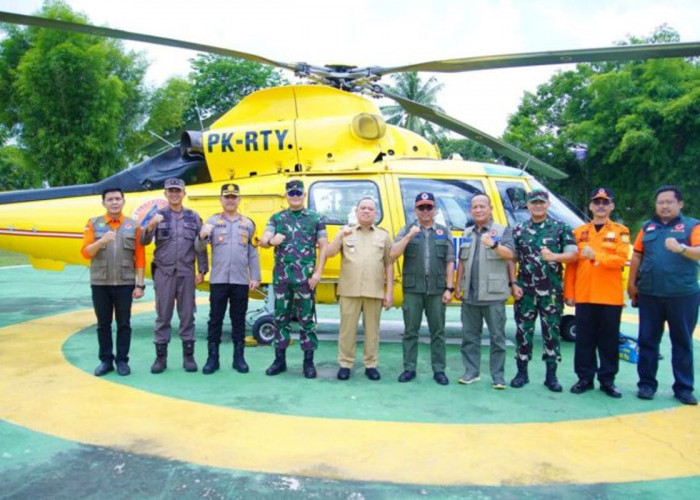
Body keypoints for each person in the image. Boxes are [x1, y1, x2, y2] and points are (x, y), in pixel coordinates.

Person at [628, 185, 700, 405]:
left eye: (669, 202)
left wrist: (681, 249)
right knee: (648, 340)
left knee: (682, 342)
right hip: (650, 294)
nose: (665, 206)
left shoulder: (692, 226)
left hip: (682, 295)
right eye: (661, 202)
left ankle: (684, 388)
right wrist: (632, 285)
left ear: (680, 204)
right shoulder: (647, 227)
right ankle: (647, 385)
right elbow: (637, 256)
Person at [564, 187, 630, 398]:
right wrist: (570, 292)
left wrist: (597, 256)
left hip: (609, 296)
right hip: (585, 295)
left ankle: (607, 380)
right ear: (591, 206)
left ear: (611, 206)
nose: (600, 206)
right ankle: (585, 378)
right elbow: (572, 264)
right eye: (597, 202)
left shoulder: (621, 232)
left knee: (609, 341)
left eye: (605, 202)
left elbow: (620, 260)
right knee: (584, 340)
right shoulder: (579, 232)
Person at [259, 179, 328, 378]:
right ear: (286, 195)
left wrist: (318, 273)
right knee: (280, 318)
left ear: (304, 196)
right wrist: (271, 241)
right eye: (292, 193)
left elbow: (323, 246)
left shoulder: (315, 218)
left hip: (306, 279)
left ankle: (308, 362)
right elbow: (263, 241)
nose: (295, 196)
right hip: (282, 278)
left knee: (307, 320)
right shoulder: (277, 218)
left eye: (298, 193)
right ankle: (279, 360)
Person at [511, 189, 577, 392]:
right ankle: (522, 373)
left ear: (547, 204)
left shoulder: (561, 228)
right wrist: (513, 283)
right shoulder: (519, 229)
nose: (537, 206)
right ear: (528, 205)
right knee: (523, 332)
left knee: (551, 333)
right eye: (533, 202)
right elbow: (511, 259)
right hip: (526, 291)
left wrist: (554, 257)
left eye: (541, 202)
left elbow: (573, 255)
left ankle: (551, 376)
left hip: (551, 292)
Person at [140, 178, 208, 374]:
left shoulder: (193, 217)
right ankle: (160, 358)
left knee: (187, 315)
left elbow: (200, 245)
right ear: (165, 194)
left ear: (184, 193)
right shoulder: (157, 215)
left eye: (178, 191)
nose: (174, 194)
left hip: (186, 272)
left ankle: (189, 357)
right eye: (171, 191)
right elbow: (143, 241)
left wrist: (202, 270)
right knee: (163, 316)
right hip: (164, 272)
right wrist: (151, 225)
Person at [390, 192, 455, 385]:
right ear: (415, 210)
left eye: (429, 207)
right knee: (411, 331)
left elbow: (450, 261)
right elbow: (393, 254)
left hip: (436, 289)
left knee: (438, 332)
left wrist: (449, 288)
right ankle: (409, 368)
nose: (425, 211)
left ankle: (439, 370)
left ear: (435, 210)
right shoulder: (407, 229)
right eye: (421, 207)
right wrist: (409, 236)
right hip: (413, 289)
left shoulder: (444, 231)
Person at [326, 196, 393, 381]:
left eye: (370, 209)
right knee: (347, 331)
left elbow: (389, 264)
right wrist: (339, 235)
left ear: (376, 213)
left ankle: (370, 364)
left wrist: (388, 293)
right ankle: (345, 364)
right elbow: (329, 253)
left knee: (373, 331)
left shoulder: (383, 235)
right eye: (362, 208)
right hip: (349, 290)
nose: (366, 211)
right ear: (356, 212)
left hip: (374, 290)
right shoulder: (346, 233)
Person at [196, 183, 261, 375]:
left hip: (240, 280)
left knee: (238, 320)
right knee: (215, 320)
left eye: (234, 197)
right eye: (227, 197)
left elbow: (252, 252)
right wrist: (201, 235)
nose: (230, 200)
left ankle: (238, 358)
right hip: (219, 280)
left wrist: (255, 276)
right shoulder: (212, 221)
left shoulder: (247, 223)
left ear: (239, 200)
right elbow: (199, 248)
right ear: (221, 200)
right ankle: (212, 358)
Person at [81, 188, 146, 376]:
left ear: (124, 201)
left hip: (125, 283)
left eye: (118, 199)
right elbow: (86, 252)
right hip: (101, 283)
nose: (114, 202)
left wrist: (140, 285)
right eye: (110, 199)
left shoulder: (133, 226)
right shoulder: (93, 224)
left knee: (124, 324)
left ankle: (122, 361)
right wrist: (101, 241)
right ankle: (106, 360)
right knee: (103, 324)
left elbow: (139, 257)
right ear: (104, 203)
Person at [455, 193, 515, 390]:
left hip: (493, 294)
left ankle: (498, 376)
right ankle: (472, 372)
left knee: (497, 337)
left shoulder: (502, 231)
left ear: (490, 209)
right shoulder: (467, 232)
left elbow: (511, 256)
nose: (478, 210)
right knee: (469, 336)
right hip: (470, 294)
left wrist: (495, 245)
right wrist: (458, 285)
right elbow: (462, 261)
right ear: (471, 210)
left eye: (482, 206)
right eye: (474, 207)